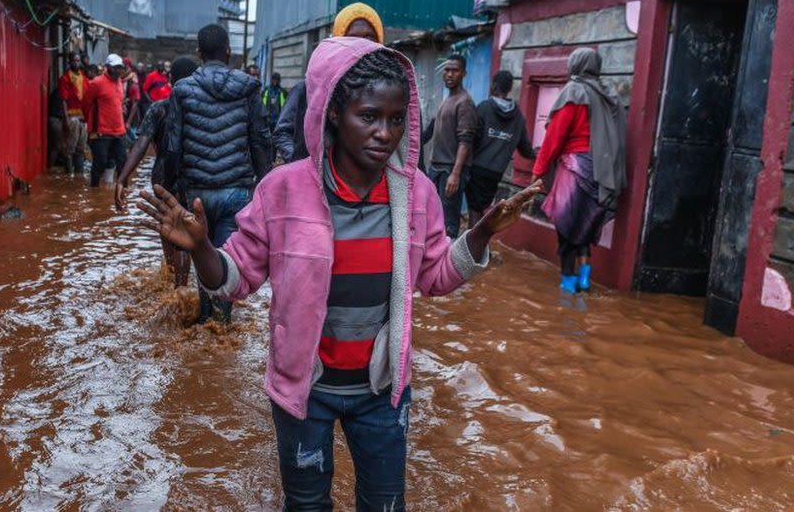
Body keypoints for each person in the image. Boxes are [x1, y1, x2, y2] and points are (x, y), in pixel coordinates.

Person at [138, 37, 541, 510]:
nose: (383, 133)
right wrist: (204, 246)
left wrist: (481, 235)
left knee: (384, 504)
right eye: (368, 116)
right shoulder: (283, 191)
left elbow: (433, 276)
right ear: (332, 112)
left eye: (395, 120)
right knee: (307, 504)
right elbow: (236, 278)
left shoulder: (416, 195)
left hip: (381, 390)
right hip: (303, 391)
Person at [165, 23, 271, 323]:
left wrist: (171, 188)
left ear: (199, 53)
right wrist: (266, 187)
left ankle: (203, 320)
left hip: (195, 191)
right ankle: (221, 325)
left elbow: (173, 146)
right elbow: (260, 139)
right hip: (236, 191)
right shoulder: (249, 87)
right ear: (229, 51)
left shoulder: (182, 90)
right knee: (227, 258)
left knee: (201, 252)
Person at [532, 47, 627, 294]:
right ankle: (585, 279)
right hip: (602, 171)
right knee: (586, 225)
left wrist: (539, 170)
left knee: (567, 226)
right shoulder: (608, 95)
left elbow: (555, 136)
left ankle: (568, 285)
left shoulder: (574, 91)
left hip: (576, 168)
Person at [115, 57, 199, 286]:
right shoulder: (204, 109)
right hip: (195, 179)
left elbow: (140, 146)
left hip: (163, 178)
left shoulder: (159, 108)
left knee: (169, 230)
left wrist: (122, 179)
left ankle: (177, 287)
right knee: (188, 234)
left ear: (170, 80)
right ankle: (183, 289)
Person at [275, 2, 384, 163]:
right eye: (352, 38)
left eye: (369, 38)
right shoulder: (310, 88)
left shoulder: (393, 92)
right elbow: (282, 132)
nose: (362, 46)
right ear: (339, 41)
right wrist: (300, 164)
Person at [467, 70, 534, 228]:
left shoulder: (484, 107)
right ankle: (480, 247)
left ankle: (473, 249)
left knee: (474, 211)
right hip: (496, 172)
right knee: (483, 209)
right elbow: (525, 149)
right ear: (509, 88)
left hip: (477, 168)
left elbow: (472, 139)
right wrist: (540, 154)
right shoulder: (518, 116)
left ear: (494, 86)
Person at [424, 53, 477, 238]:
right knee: (432, 216)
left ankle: (448, 262)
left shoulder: (465, 103)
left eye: (455, 70)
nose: (449, 74)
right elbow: (430, 131)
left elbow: (466, 141)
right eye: (447, 70)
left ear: (464, 73)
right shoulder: (447, 99)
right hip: (436, 167)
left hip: (450, 170)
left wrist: (455, 174)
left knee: (448, 222)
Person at [83, 53, 127, 187]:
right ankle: (94, 191)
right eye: (116, 67)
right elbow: (86, 104)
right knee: (99, 162)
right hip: (101, 131)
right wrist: (90, 125)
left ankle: (122, 191)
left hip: (119, 130)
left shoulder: (120, 82)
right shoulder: (97, 83)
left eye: (120, 67)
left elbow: (118, 103)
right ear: (108, 67)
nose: (119, 70)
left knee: (123, 163)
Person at [56, 52, 90, 174]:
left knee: (81, 148)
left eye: (78, 61)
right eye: (74, 61)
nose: (76, 63)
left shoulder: (84, 78)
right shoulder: (65, 79)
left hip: (83, 118)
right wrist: (65, 119)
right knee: (69, 148)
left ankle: (79, 176)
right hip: (72, 117)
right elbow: (63, 100)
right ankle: (69, 176)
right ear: (69, 62)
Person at [121, 57, 141, 134]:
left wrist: (129, 121)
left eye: (124, 67)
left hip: (131, 114)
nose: (122, 70)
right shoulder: (121, 80)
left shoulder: (133, 82)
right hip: (123, 112)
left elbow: (135, 104)